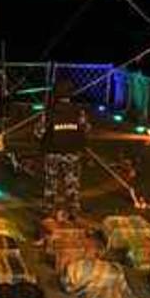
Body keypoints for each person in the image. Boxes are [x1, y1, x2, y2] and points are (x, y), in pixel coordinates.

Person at [33, 78, 90, 219]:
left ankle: (48, 210)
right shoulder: (78, 112)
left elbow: (38, 132)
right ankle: (73, 211)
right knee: (72, 183)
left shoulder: (49, 112)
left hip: (53, 152)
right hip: (72, 152)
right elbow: (86, 129)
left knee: (51, 183)